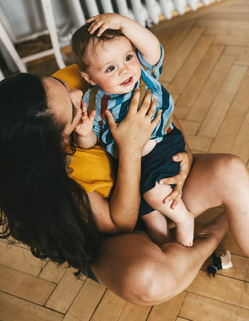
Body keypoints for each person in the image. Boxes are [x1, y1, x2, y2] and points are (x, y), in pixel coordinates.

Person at [1, 72, 249, 307]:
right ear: (59, 144)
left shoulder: (75, 82)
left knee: (232, 171)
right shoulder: (53, 183)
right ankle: (214, 232)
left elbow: (156, 108)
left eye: (62, 85)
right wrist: (130, 147)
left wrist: (186, 158)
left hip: (155, 190)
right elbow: (122, 223)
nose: (78, 93)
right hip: (116, 237)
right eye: (75, 110)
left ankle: (189, 234)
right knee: (148, 281)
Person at [71, 13, 194, 247]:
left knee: (153, 194)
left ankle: (184, 221)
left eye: (128, 57)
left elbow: (153, 48)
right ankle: (167, 247)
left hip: (161, 145)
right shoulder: (94, 100)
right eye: (110, 68)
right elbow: (90, 142)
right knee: (147, 213)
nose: (124, 70)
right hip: (130, 162)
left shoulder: (143, 75)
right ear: (90, 78)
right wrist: (84, 132)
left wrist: (124, 24)